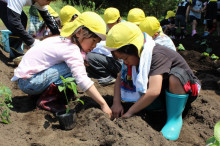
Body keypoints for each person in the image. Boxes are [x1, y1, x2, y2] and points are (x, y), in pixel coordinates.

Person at [105, 22, 201, 140]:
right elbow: (120, 77)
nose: (125, 62)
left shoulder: (156, 54)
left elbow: (154, 90)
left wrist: (129, 112)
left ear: (133, 48)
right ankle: (158, 107)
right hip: (164, 89)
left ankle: (174, 118)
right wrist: (116, 103)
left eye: (125, 58)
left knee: (175, 76)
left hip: (185, 88)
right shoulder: (137, 55)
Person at [11, 12, 112, 118]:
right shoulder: (71, 49)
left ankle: (40, 95)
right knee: (74, 68)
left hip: (26, 80)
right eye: (93, 41)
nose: (94, 46)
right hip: (30, 82)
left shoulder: (62, 40)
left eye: (97, 43)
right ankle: (47, 101)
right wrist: (103, 104)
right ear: (79, 32)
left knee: (72, 66)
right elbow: (82, 79)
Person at [85, 7, 123, 85]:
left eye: (112, 22)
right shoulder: (120, 27)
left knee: (88, 57)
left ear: (119, 19)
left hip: (122, 63)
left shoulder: (120, 31)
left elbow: (109, 50)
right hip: (120, 62)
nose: (110, 25)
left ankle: (107, 77)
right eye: (108, 23)